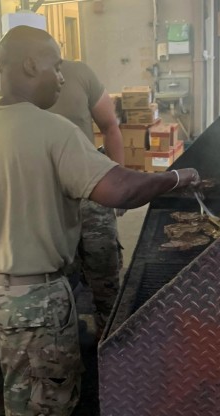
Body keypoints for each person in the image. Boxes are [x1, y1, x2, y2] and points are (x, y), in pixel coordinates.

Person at [0, 25, 199, 416]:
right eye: (57, 66)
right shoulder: (55, 130)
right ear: (30, 65)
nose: (62, 77)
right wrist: (175, 177)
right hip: (30, 304)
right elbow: (119, 190)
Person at [47, 59, 124, 338]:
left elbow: (110, 127)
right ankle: (69, 342)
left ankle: (113, 340)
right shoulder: (14, 94)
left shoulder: (79, 74)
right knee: (58, 278)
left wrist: (118, 182)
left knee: (104, 270)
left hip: (91, 191)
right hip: (49, 200)